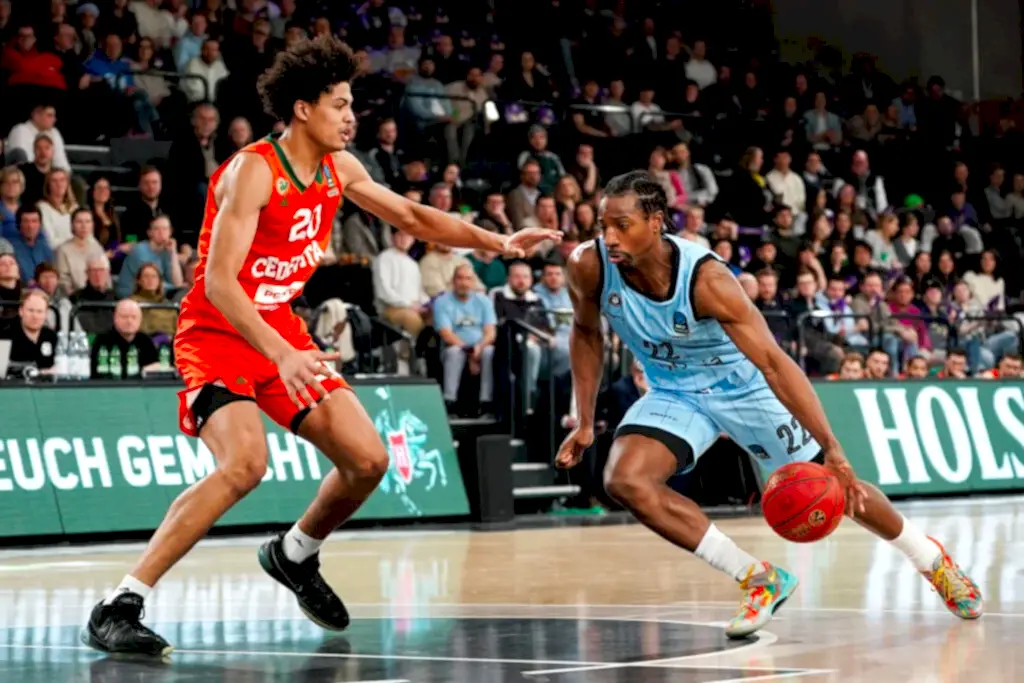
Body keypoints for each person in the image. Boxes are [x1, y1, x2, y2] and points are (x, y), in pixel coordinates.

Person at [82, 35, 558, 657]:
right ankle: (120, 604)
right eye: (339, 104)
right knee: (245, 465)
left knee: (368, 460)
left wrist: (496, 243)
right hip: (218, 333)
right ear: (303, 109)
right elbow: (220, 284)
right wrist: (278, 351)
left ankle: (295, 553)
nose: (351, 116)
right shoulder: (254, 170)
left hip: (279, 330)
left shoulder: (341, 167)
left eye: (351, 104)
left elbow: (413, 218)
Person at [556, 170, 982, 641]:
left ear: (656, 222)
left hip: (744, 387)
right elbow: (586, 333)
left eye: (622, 225)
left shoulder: (708, 280)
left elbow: (775, 364)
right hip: (672, 390)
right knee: (625, 480)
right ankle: (759, 580)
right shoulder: (588, 266)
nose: (609, 237)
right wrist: (585, 419)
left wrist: (832, 446)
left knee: (839, 493)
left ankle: (932, 561)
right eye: (603, 225)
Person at [0, 289, 57, 373]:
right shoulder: (5, 337)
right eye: (30, 310)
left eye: (39, 311)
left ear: (46, 314)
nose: (35, 316)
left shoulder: (51, 336)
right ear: (21, 311)